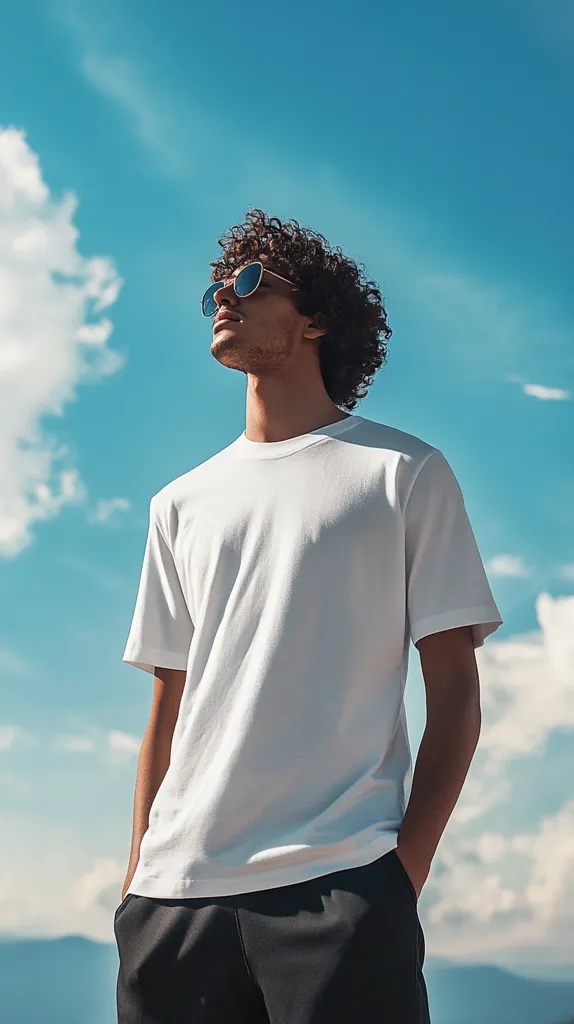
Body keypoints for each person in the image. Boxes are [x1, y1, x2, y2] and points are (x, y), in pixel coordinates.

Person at [114, 208, 503, 1023]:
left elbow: (457, 697)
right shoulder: (176, 505)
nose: (226, 294)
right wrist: (135, 881)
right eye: (219, 284)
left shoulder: (403, 474)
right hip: (173, 901)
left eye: (252, 281)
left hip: (342, 890)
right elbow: (169, 706)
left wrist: (399, 878)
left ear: (317, 319)